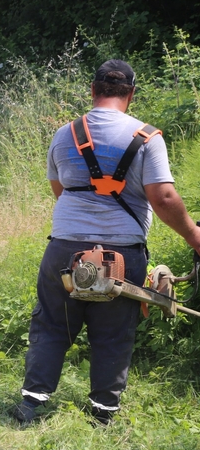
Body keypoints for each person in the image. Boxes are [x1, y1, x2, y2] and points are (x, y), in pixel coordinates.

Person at [12, 59, 200, 426]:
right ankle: (102, 414)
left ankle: (31, 405)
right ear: (130, 94)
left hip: (64, 248)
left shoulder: (65, 134)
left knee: (51, 324)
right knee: (113, 333)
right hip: (122, 253)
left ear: (93, 90)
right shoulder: (147, 138)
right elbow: (162, 199)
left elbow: (59, 190)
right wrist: (195, 237)